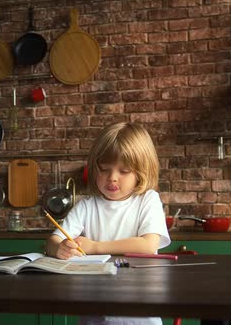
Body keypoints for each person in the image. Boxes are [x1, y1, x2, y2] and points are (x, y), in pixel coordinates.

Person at [46, 122, 171, 325]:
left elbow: (148, 245)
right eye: (104, 169)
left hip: (139, 317)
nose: (112, 178)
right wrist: (58, 248)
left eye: (124, 171)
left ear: (141, 172)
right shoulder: (86, 206)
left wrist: (96, 247)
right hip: (93, 314)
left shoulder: (147, 200)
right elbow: (53, 240)